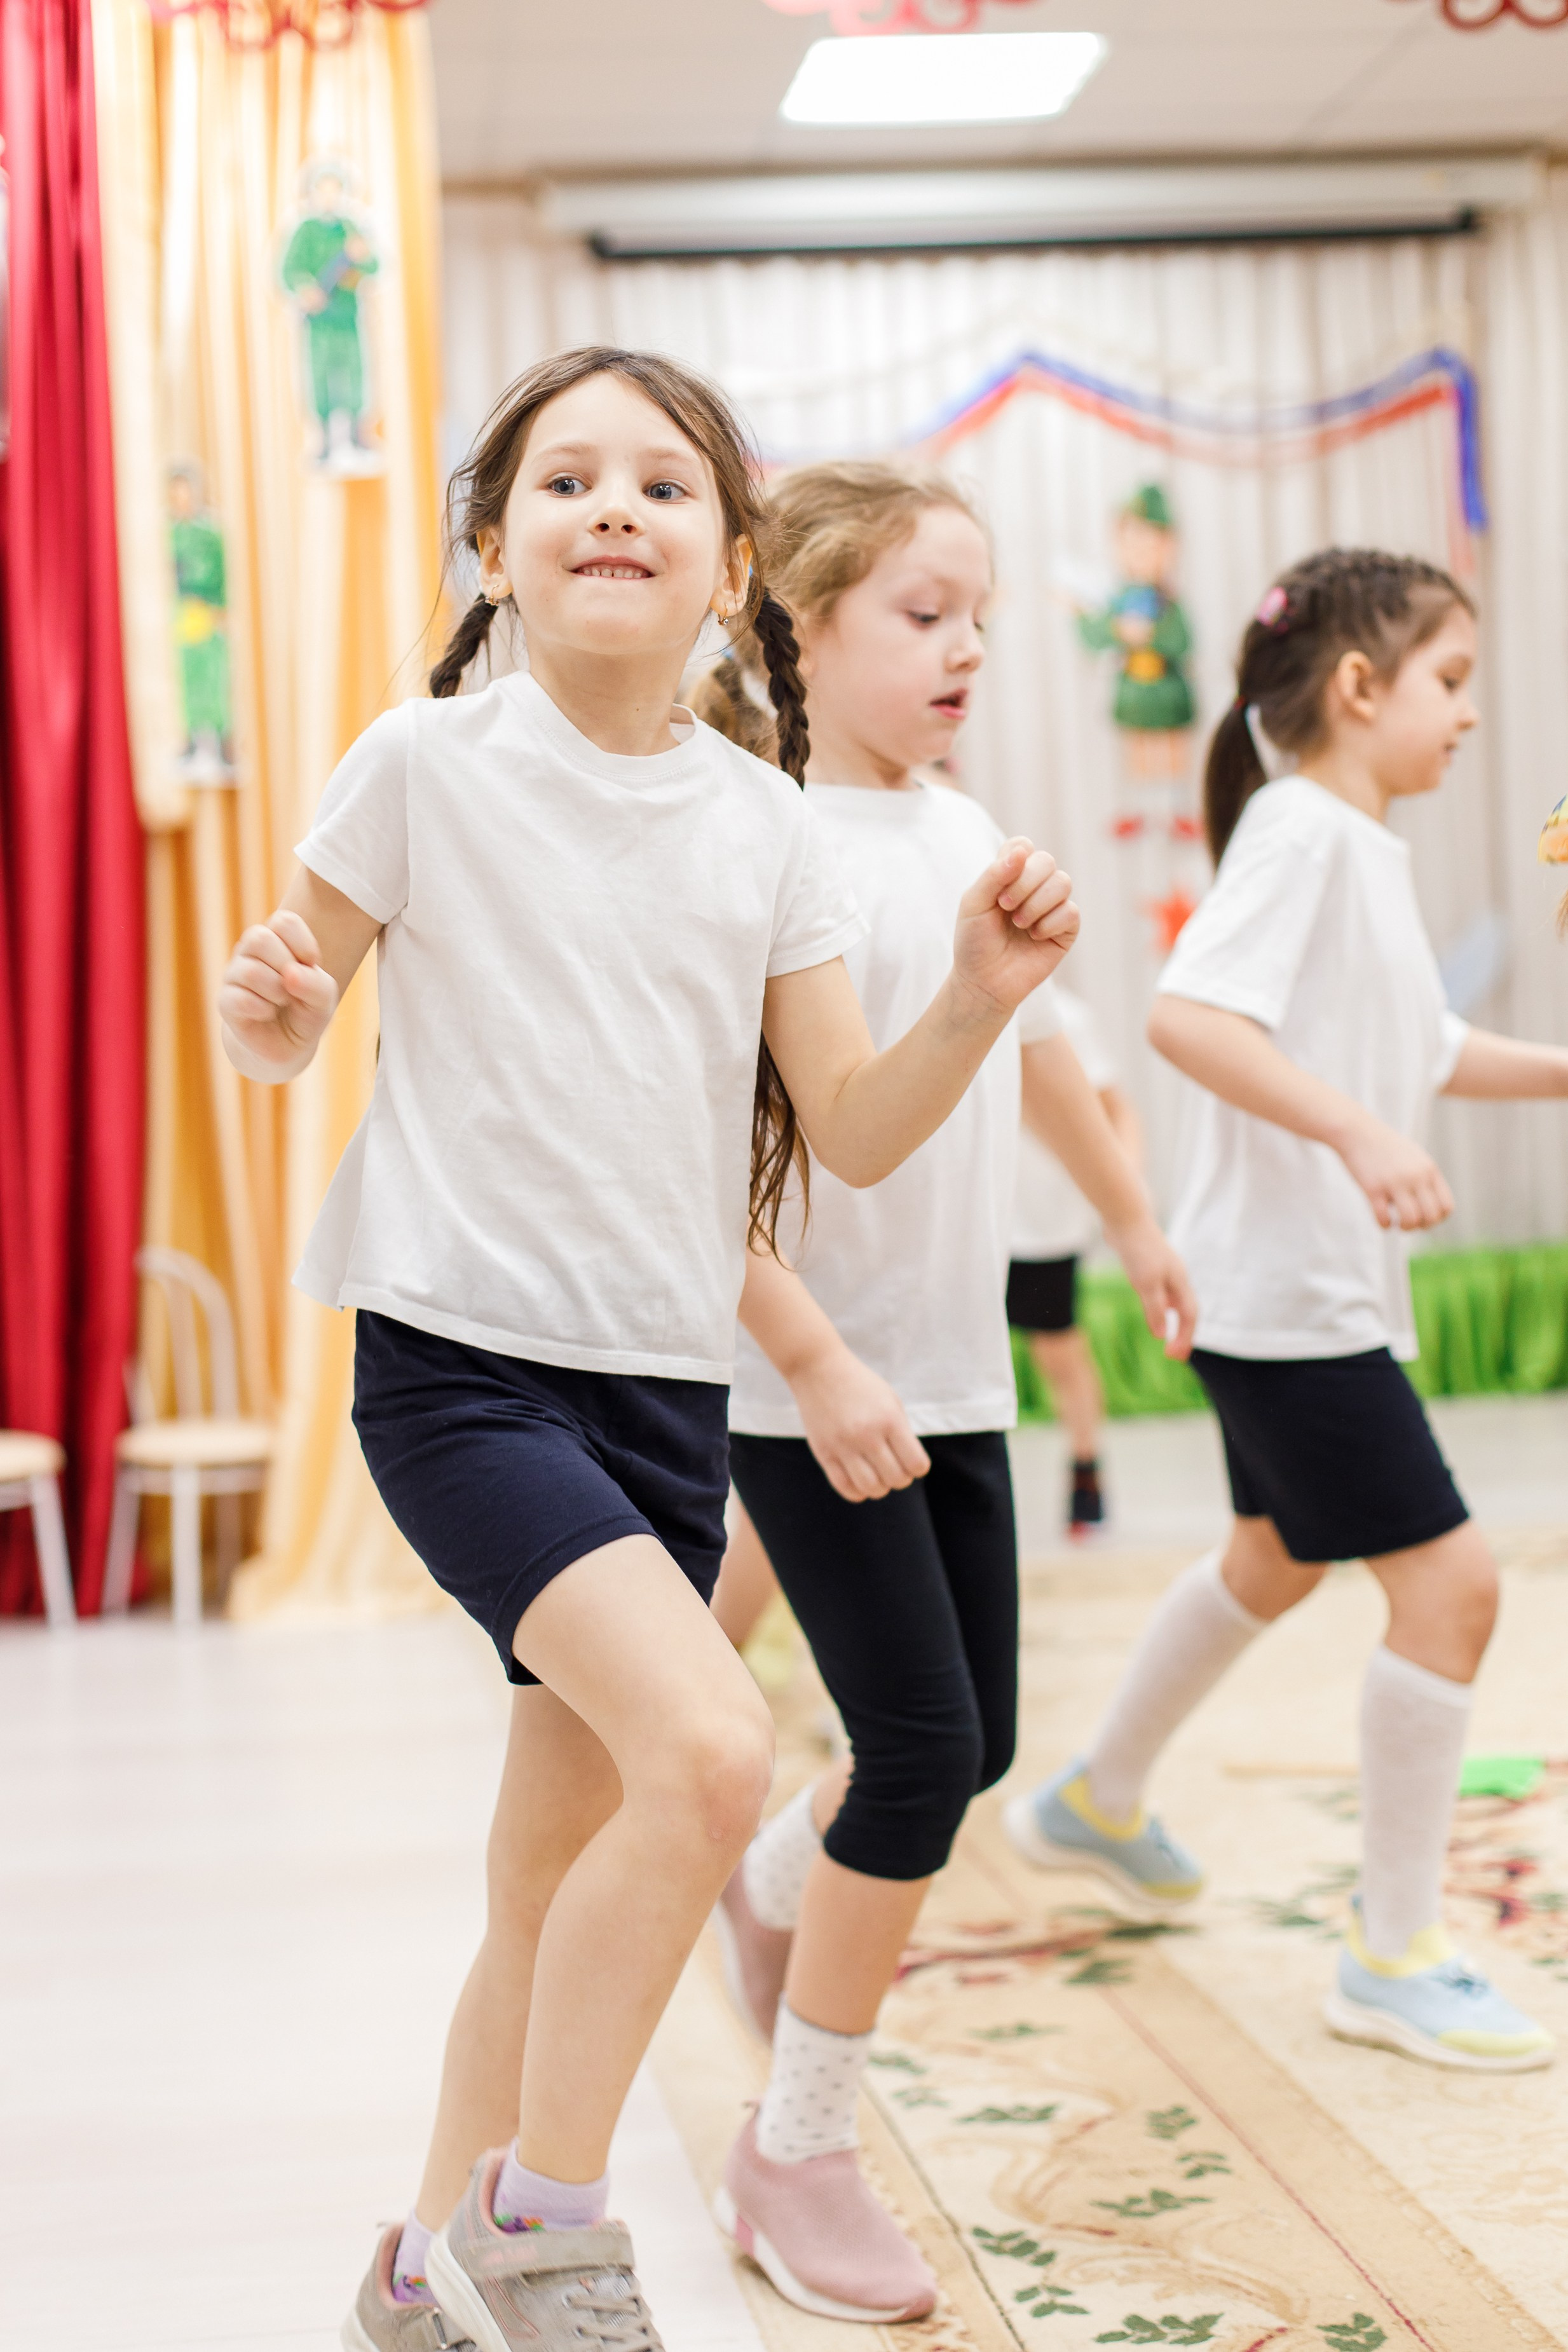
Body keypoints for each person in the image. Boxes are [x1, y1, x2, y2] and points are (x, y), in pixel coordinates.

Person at [217, 350, 1081, 2352]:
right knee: (709, 1757)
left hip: (656, 1401)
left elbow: (847, 1129)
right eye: (567, 479)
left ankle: (421, 2276)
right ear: (494, 549)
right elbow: (285, 1021)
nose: (616, 505)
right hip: (458, 1371)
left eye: (665, 486)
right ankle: (548, 2219)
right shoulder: (419, 765)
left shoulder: (765, 824)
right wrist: (268, 1003)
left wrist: (973, 998)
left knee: (548, 1897)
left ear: (730, 571)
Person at [692, 460, 1196, 2321]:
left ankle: (767, 1873)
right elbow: (698, 1160)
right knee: (913, 1759)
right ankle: (795, 2148)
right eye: (923, 614)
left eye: (979, 613)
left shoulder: (959, 820)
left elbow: (1050, 1049)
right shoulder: (758, 844)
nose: (969, 647)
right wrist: (807, 1358)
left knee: (970, 1746)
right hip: (811, 1386)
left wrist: (1137, 1220)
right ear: (800, 627)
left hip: (956, 1369)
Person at [1007, 549, 1568, 2072]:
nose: (1465, 716)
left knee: (1269, 1555)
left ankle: (1096, 1797)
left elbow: (1421, 1038)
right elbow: (1186, 1015)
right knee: (1451, 1588)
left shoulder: (1353, 846)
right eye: (1449, 682)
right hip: (1284, 1295)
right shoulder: (1304, 836)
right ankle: (1394, 1947)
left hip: (1294, 1292)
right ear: (1358, 688)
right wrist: (1357, 1132)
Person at [1007, 983, 1142, 1536]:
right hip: (969, 1218)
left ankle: (1086, 1470)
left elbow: (1117, 1112)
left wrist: (1125, 1200)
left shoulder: (1063, 1017)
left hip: (1042, 1220)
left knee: (1057, 1350)